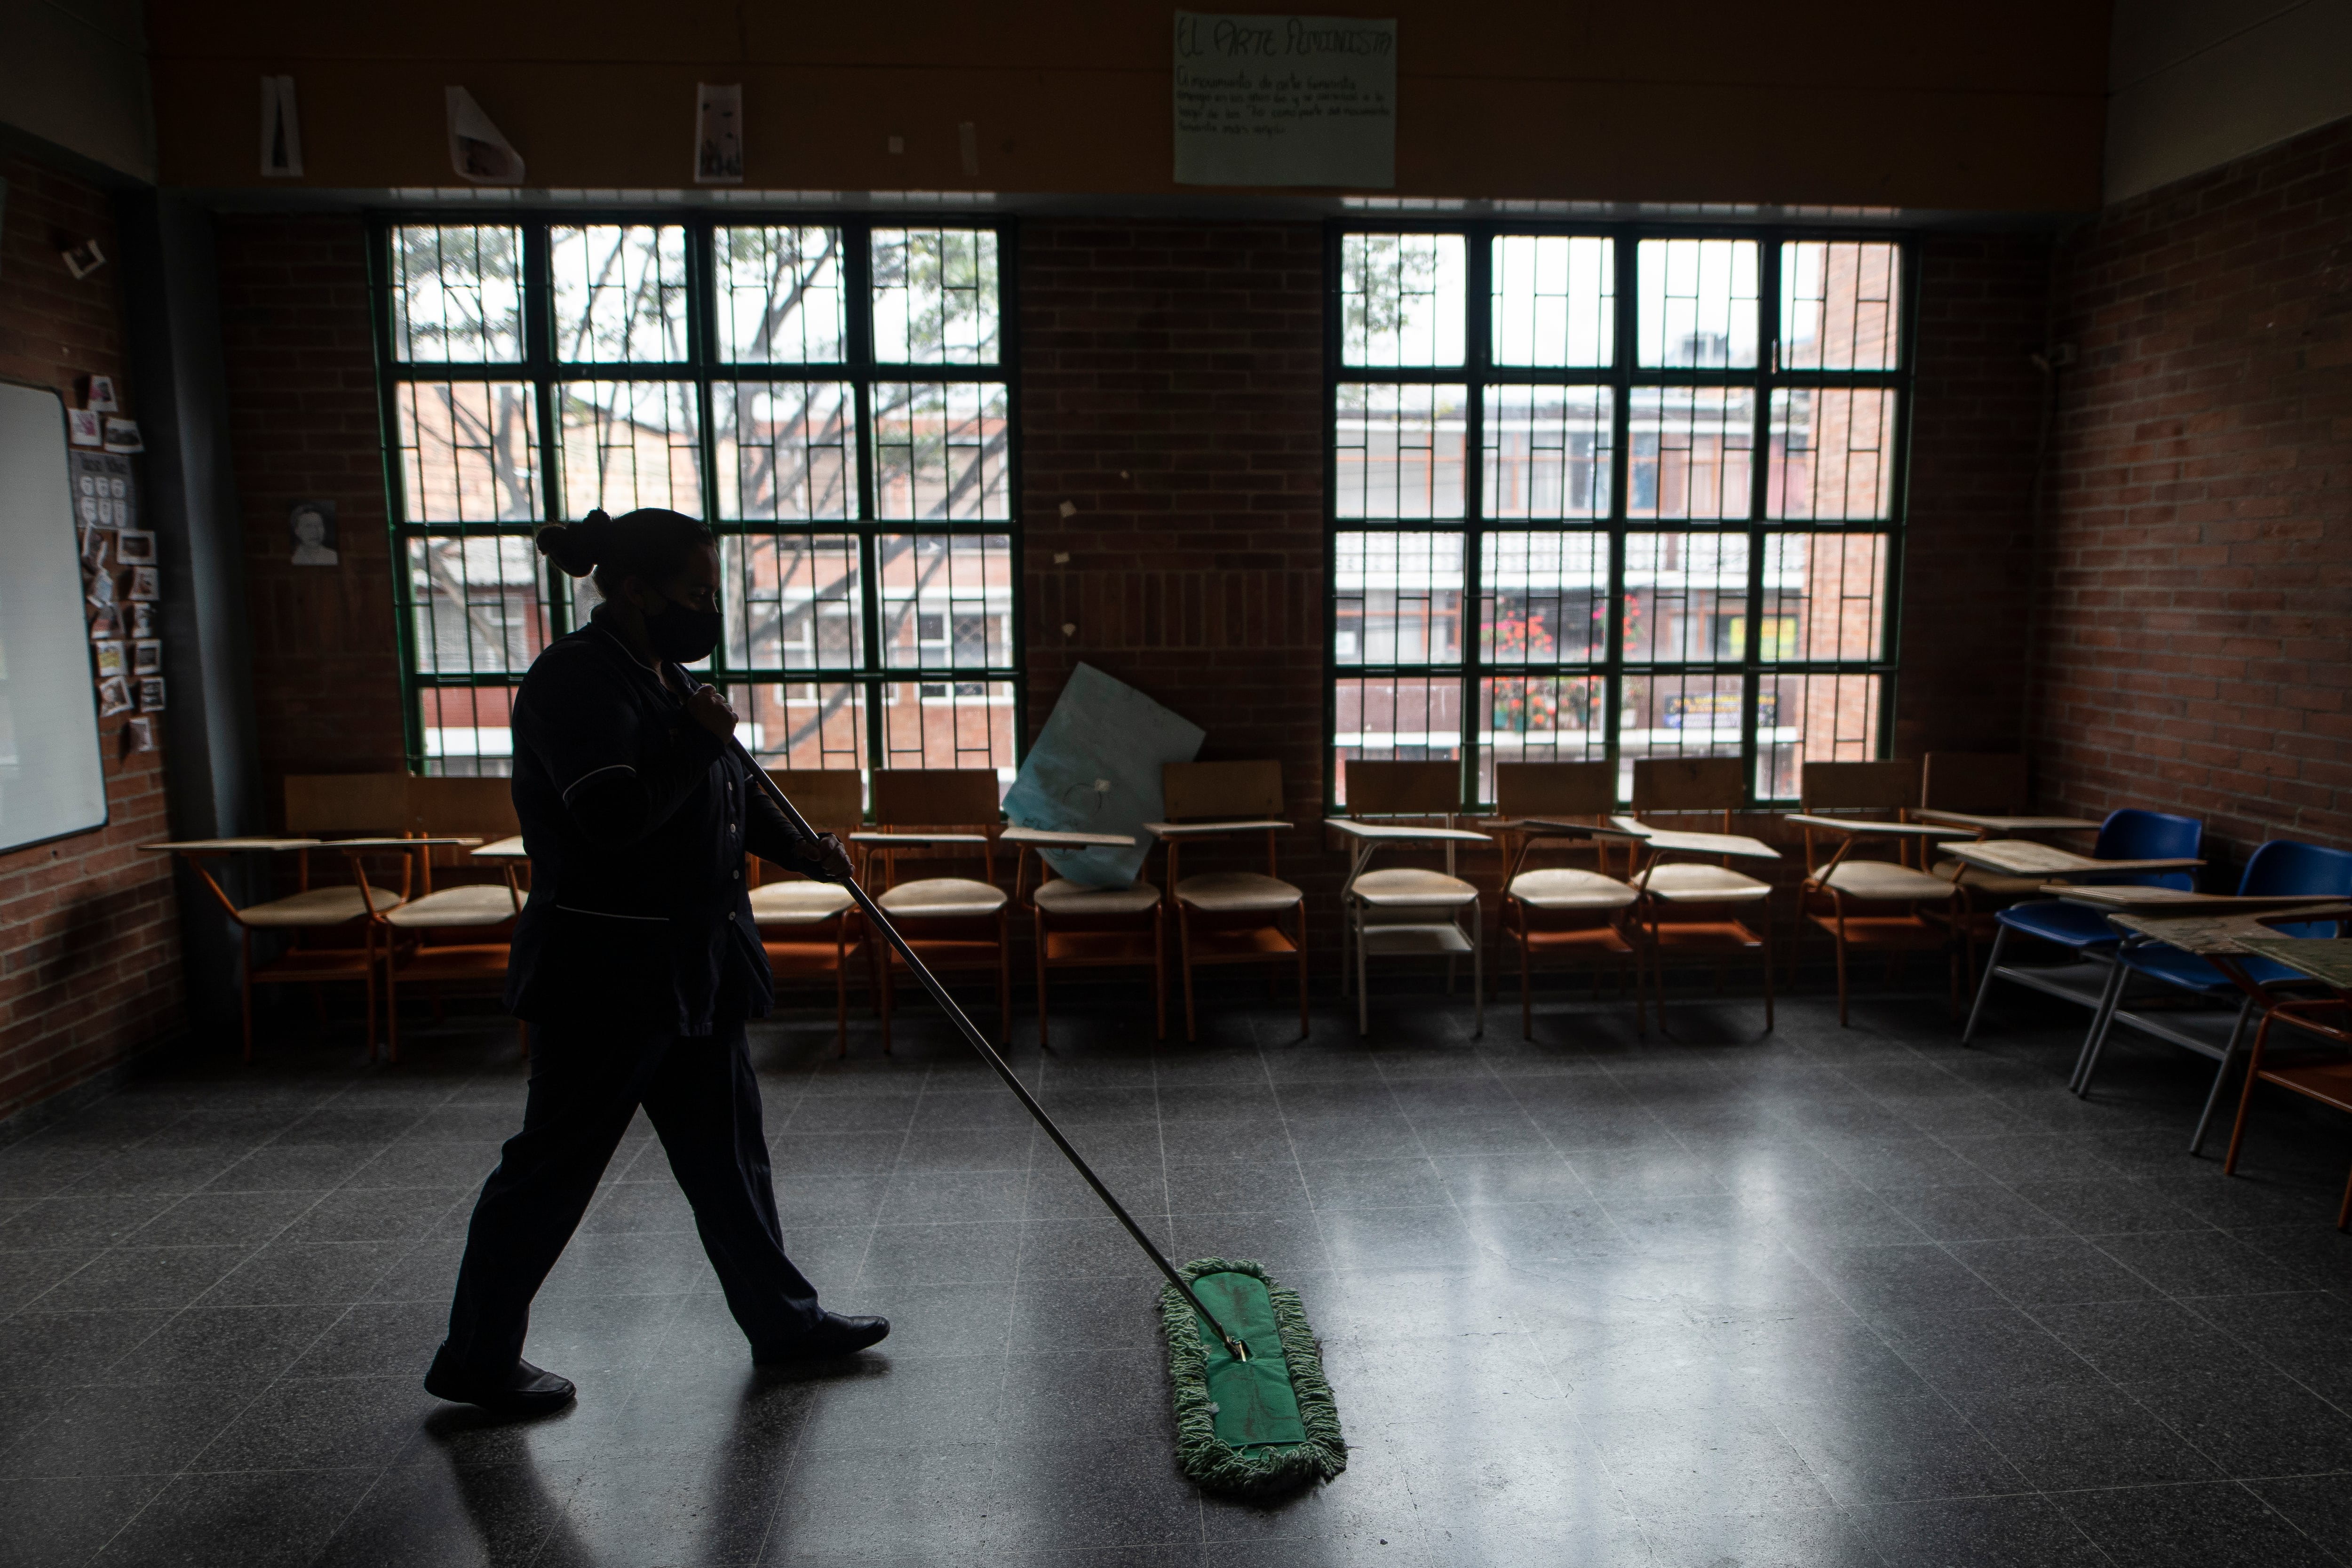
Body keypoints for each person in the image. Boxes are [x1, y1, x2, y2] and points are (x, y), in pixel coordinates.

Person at [423, 506, 887, 1418]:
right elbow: (615, 816)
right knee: (552, 1167)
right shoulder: (573, 682)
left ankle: (784, 1320)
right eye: (694, 592)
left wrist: (807, 847)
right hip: (606, 974)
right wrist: (696, 738)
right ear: (633, 589)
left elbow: (724, 802)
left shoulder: (666, 675)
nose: (706, 608)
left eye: (711, 592)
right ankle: (476, 1356)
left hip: (695, 964)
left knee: (728, 1155)